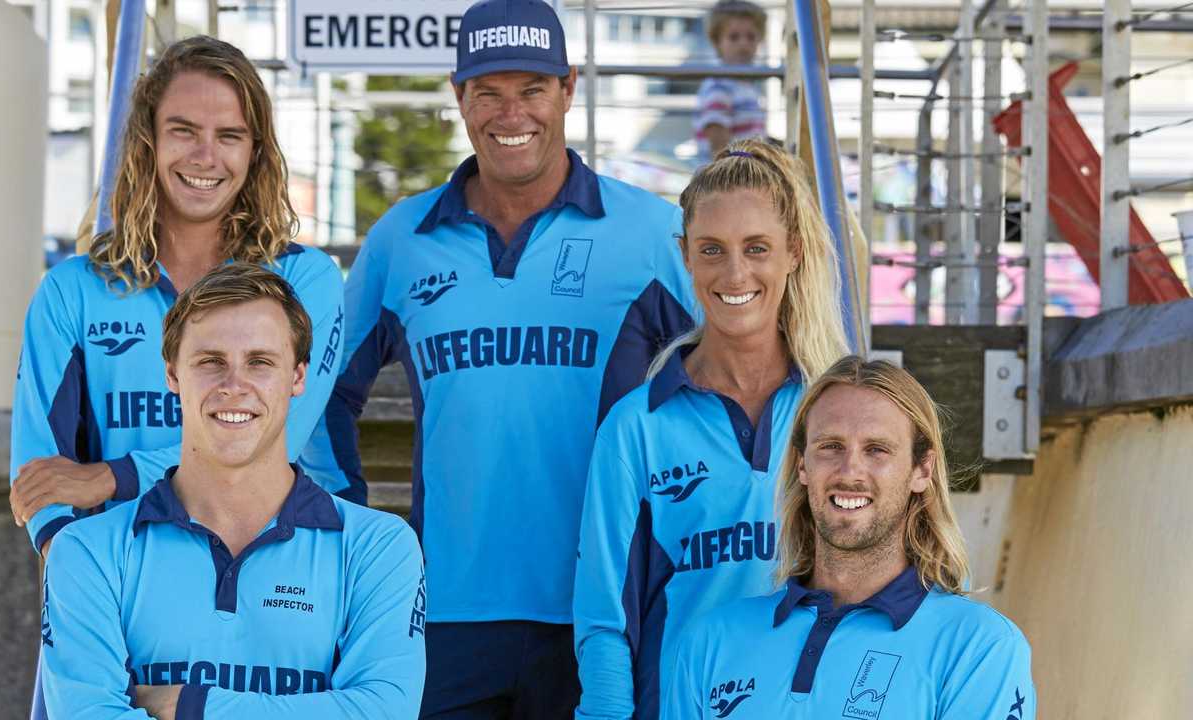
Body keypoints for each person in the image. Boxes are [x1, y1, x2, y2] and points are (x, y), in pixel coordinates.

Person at [298, 0, 698, 715]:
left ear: (569, 89)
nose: (510, 113)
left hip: (603, 610)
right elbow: (321, 394)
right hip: (444, 614)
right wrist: (349, 529)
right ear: (459, 97)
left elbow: (746, 373)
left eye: (532, 89)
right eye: (488, 92)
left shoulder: (651, 234)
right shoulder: (403, 238)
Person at [9, 35, 349, 560]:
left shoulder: (305, 282)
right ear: (148, 140)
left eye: (230, 135)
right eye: (183, 131)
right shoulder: (72, 291)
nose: (206, 157)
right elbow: (41, 482)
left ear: (255, 152)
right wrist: (81, 582)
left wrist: (110, 477)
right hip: (117, 572)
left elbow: (269, 444)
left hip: (268, 571)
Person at [40, 263, 426, 720]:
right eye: (210, 362)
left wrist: (191, 705)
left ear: (299, 377)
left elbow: (384, 711)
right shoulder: (88, 551)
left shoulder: (377, 547)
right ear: (172, 375)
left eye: (260, 362)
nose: (234, 386)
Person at [572, 139, 848, 720]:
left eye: (756, 248)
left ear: (792, 253)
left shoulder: (840, 410)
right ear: (685, 256)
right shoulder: (636, 427)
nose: (735, 272)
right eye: (712, 250)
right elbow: (605, 620)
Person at [663, 357, 1036, 719]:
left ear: (922, 470)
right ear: (802, 465)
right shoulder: (710, 643)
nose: (850, 470)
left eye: (876, 449)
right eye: (830, 446)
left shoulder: (978, 648)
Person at [693, 0, 768, 160]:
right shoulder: (718, 85)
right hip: (727, 176)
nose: (743, 44)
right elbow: (718, 144)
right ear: (717, 43)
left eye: (751, 37)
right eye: (734, 37)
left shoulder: (747, 85)